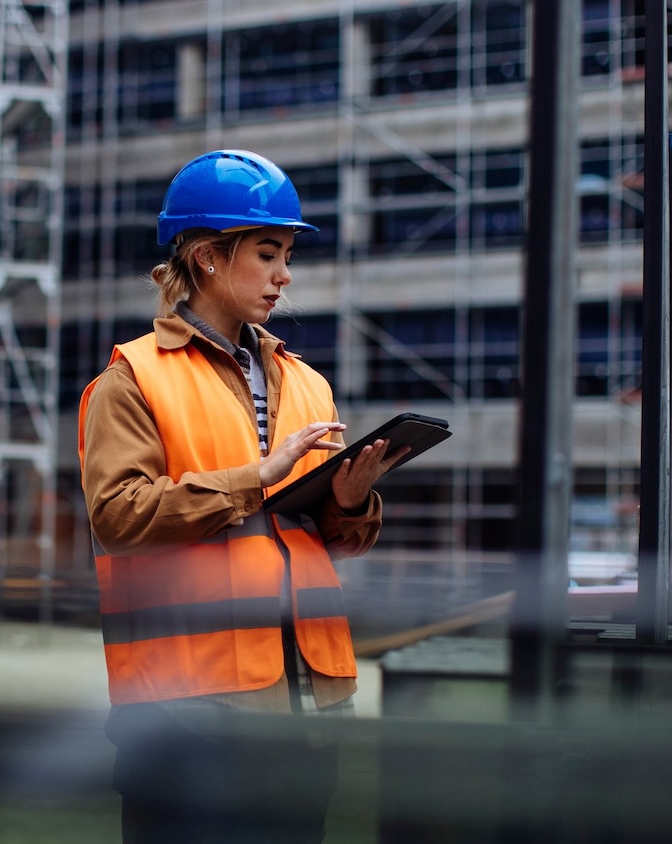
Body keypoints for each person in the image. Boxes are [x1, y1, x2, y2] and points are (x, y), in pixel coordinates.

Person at [77, 149, 408, 843]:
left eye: (287, 253)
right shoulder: (133, 379)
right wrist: (255, 477)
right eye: (267, 252)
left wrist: (347, 502)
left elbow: (324, 542)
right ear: (207, 259)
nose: (284, 274)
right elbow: (117, 517)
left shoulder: (308, 383)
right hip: (185, 717)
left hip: (304, 716)